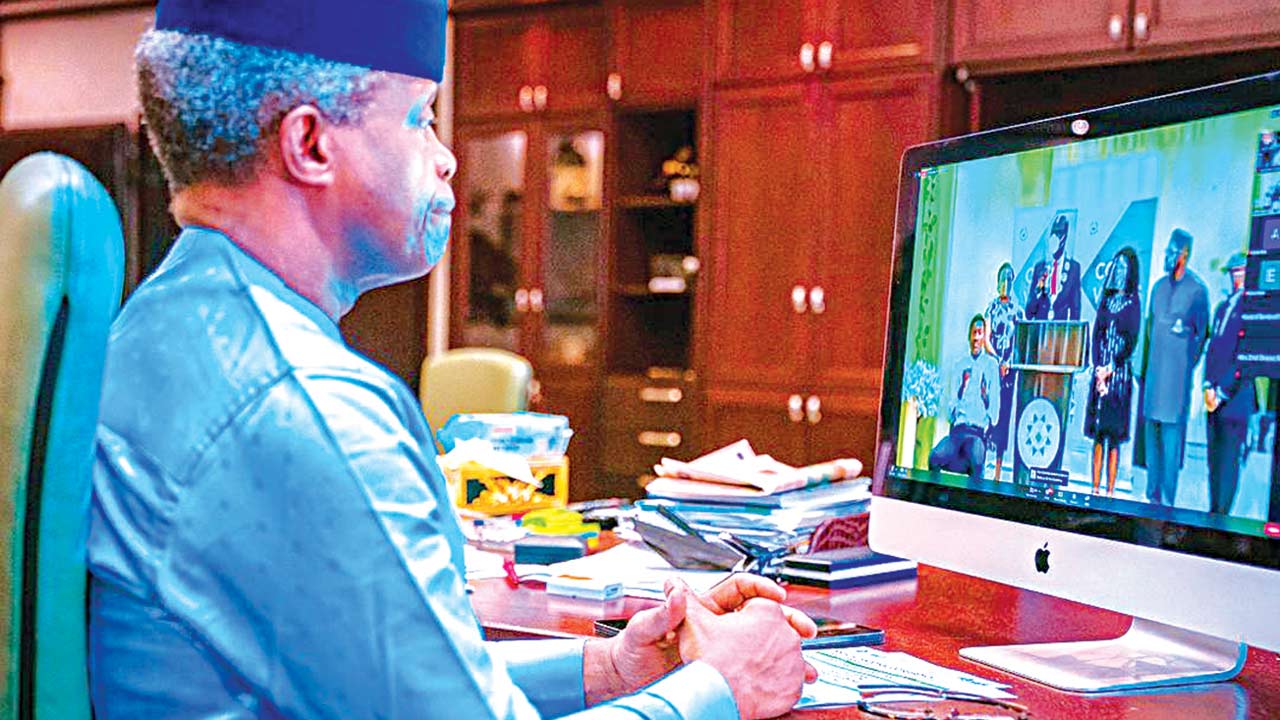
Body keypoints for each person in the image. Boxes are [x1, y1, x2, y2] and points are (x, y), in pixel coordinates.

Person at [86, 2, 814, 718]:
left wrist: (614, 668)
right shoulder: (308, 409)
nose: (446, 156)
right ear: (310, 144)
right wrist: (721, 687)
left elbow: (395, 681)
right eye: (419, 117)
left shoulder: (160, 327)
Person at [1140, 228, 1210, 506]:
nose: (1168, 256)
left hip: (1176, 383)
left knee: (1171, 445)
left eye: (1173, 251)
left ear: (1185, 254)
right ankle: (1151, 497)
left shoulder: (1197, 290)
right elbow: (1149, 330)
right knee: (1152, 441)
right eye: (1167, 250)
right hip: (1154, 379)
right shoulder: (1158, 288)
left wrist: (1183, 363)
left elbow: (1202, 335)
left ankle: (1168, 502)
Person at [1083, 248, 1141, 496]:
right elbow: (1096, 335)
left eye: (1123, 268)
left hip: (1119, 378)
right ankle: (1095, 489)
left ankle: (1110, 491)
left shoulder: (1133, 303)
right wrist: (1098, 366)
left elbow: (1131, 340)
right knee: (1098, 435)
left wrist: (1111, 367)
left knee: (1114, 437)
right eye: (1116, 267)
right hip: (1100, 377)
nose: (1118, 272)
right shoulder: (1105, 302)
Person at [1203, 252, 1253, 515]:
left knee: (1228, 463)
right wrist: (1207, 386)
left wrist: (1222, 390)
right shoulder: (1222, 308)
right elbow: (1213, 350)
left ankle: (1222, 519)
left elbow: (1244, 358)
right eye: (1233, 272)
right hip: (1214, 400)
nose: (1236, 277)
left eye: (1240, 271)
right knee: (1213, 462)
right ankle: (1212, 514)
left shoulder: (1253, 308)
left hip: (1235, 400)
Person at [928, 315, 1001, 481]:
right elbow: (951, 409)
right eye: (974, 333)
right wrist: (962, 388)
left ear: (985, 338)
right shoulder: (960, 365)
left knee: (976, 458)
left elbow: (995, 412)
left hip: (977, 434)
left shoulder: (991, 365)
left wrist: (984, 397)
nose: (976, 338)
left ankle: (973, 496)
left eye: (980, 333)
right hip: (958, 433)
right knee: (935, 457)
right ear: (969, 336)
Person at [984, 263, 1022, 480]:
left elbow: (1019, 342)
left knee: (1004, 416)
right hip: (993, 366)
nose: (1004, 284)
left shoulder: (1018, 311)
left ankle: (998, 472)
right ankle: (982, 465)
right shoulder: (991, 307)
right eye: (1002, 280)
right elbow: (987, 339)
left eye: (1008, 280)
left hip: (1009, 371)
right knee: (989, 412)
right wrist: (997, 360)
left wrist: (1007, 363)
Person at [1026, 214, 1082, 321]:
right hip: (1041, 329)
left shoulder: (1073, 269)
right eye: (1053, 233)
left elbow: (1075, 312)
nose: (1055, 237)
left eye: (1059, 233)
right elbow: (1029, 313)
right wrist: (1038, 289)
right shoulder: (1040, 268)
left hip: (1060, 330)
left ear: (1065, 236)